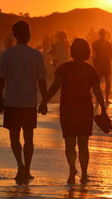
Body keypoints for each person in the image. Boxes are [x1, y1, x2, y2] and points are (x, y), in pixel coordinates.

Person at [39, 38, 107, 184]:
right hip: (84, 111)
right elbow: (98, 92)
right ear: (87, 52)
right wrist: (104, 110)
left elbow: (54, 87)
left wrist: (44, 101)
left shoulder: (63, 68)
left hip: (68, 110)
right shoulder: (90, 70)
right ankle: (84, 174)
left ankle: (71, 171)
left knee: (70, 144)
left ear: (72, 51)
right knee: (83, 144)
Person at [0, 21, 47, 181]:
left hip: (12, 102)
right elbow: (42, 81)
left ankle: (20, 166)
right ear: (29, 35)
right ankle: (27, 170)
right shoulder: (36, 55)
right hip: (29, 102)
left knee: (14, 138)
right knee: (29, 138)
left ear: (15, 35)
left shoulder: (8, 54)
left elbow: (1, 79)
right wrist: (44, 101)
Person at [92, 28, 112, 104]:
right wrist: (108, 60)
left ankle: (100, 98)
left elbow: (93, 56)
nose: (102, 35)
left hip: (101, 64)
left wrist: (95, 63)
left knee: (99, 82)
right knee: (106, 81)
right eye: (102, 33)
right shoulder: (108, 43)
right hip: (104, 64)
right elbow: (111, 54)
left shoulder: (96, 43)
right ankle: (106, 99)